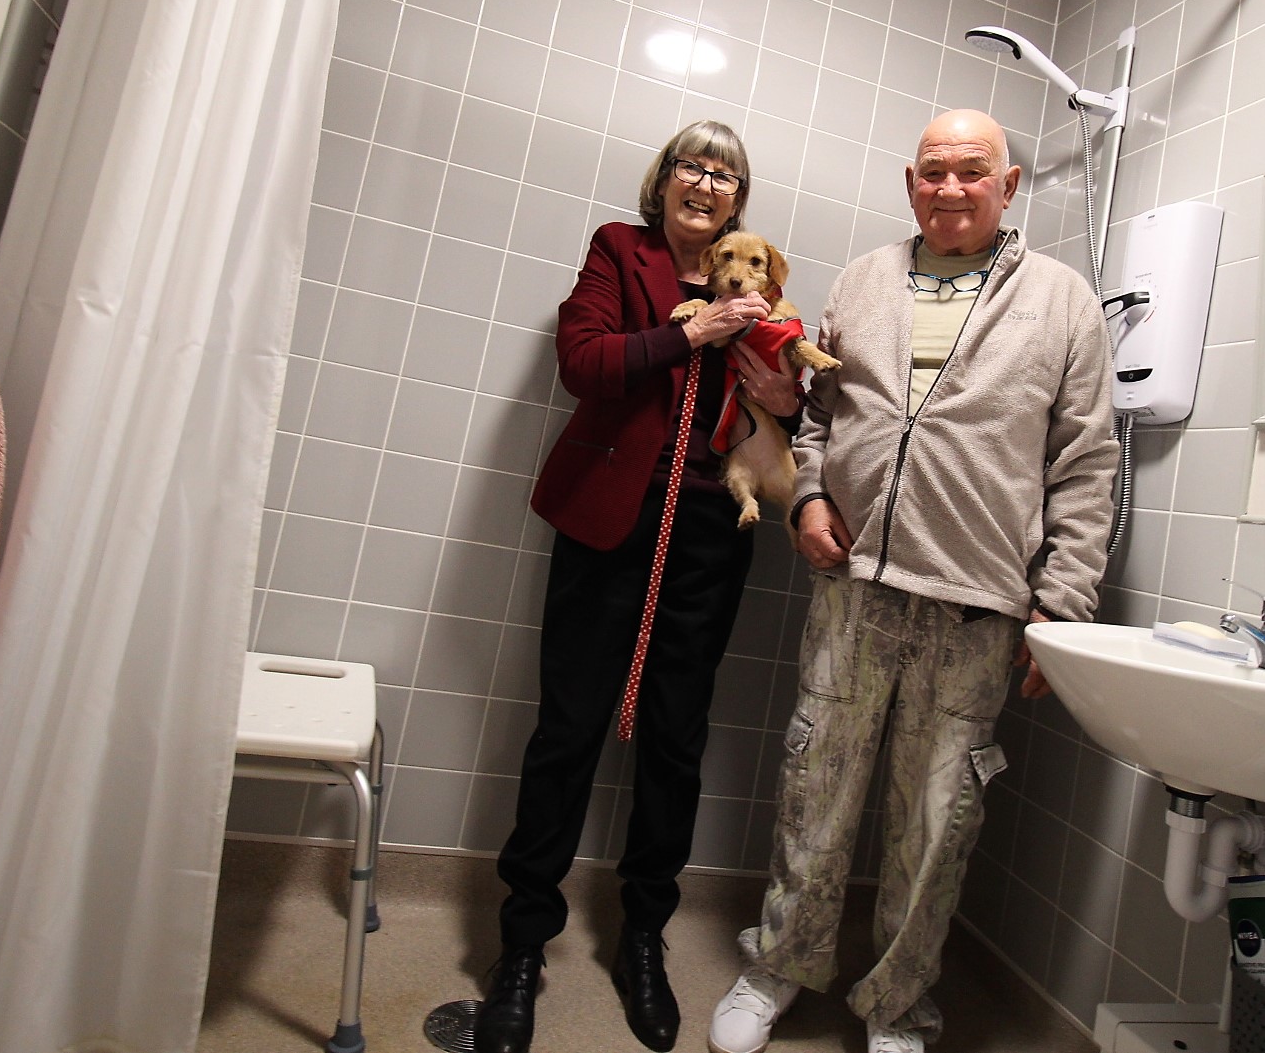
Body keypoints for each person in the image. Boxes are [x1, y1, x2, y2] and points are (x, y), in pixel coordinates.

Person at [706, 109, 1119, 1053]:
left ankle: (897, 1003)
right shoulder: (863, 280)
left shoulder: (1062, 302)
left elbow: (1087, 465)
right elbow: (816, 417)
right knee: (818, 785)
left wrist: (1064, 602)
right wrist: (809, 499)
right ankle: (778, 963)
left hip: (978, 601)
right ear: (909, 182)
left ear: (1008, 187)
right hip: (853, 579)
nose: (950, 188)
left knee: (938, 819)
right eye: (932, 172)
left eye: (972, 172)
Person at [473, 120, 806, 1053]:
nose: (707, 182)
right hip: (611, 518)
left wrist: (787, 394)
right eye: (693, 166)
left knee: (675, 737)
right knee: (568, 729)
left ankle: (644, 940)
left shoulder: (762, 282)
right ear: (664, 181)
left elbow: (794, 396)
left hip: (712, 530)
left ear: (740, 199)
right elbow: (583, 364)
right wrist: (687, 330)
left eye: (726, 173)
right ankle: (522, 946)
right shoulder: (620, 254)